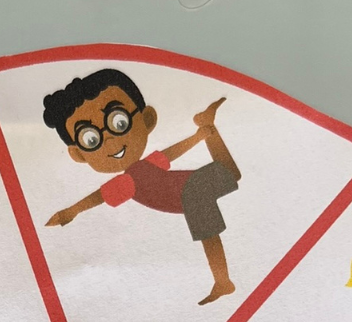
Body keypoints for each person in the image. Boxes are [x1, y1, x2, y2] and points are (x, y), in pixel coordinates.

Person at [42, 68, 242, 305]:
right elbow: (99, 196)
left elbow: (171, 153)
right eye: (91, 139)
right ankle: (207, 124)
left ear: (147, 119)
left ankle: (223, 281)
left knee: (210, 196)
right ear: (79, 154)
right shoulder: (125, 183)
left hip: (191, 188)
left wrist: (197, 138)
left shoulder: (138, 172)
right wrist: (72, 210)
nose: (111, 141)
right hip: (191, 189)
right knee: (230, 175)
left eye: (119, 122)